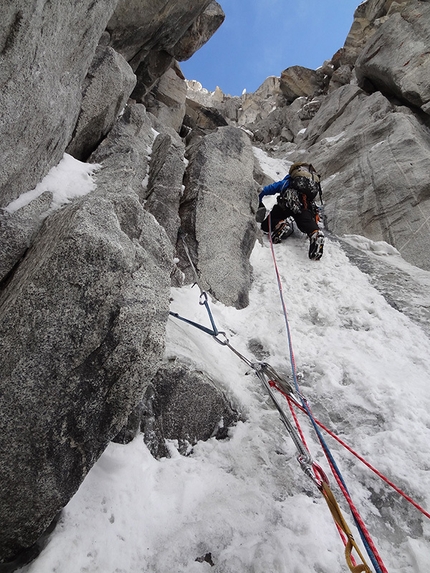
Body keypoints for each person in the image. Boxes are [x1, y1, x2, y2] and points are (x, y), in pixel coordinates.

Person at [256, 162, 325, 260]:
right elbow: (312, 205)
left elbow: (268, 189)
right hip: (305, 206)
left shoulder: (289, 181)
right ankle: (315, 233)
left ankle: (280, 224)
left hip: (287, 204)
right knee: (305, 221)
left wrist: (258, 198)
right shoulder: (311, 184)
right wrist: (314, 221)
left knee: (268, 223)